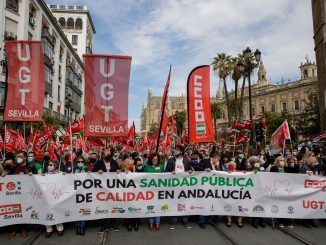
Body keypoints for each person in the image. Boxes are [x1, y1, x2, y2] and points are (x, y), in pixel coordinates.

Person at [165, 145, 192, 230]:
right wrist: (170, 173)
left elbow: (190, 170)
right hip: (174, 186)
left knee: (185, 203)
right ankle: (173, 221)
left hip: (184, 186)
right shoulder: (171, 160)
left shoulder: (186, 160)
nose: (175, 151)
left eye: (177, 149)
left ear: (181, 151)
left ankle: (185, 220)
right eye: (175, 150)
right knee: (174, 203)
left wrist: (190, 171)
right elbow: (166, 172)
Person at [93, 149, 120, 232]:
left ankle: (113, 224)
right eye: (106, 154)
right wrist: (97, 172)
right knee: (103, 207)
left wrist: (118, 171)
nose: (108, 155)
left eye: (109, 154)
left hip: (113, 189)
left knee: (113, 206)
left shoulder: (114, 162)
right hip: (102, 189)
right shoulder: (98, 163)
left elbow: (118, 170)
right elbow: (93, 173)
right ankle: (104, 225)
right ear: (103, 155)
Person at [1, 157, 29, 239]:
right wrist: (2, 176)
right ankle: (14, 230)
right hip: (9, 196)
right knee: (12, 212)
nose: (8, 165)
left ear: (13, 164)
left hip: (20, 195)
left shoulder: (17, 170)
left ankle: (24, 229)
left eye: (10, 164)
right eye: (6, 164)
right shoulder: (4, 172)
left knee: (21, 211)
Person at [197, 153, 220, 229]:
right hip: (205, 187)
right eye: (217, 159)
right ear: (214, 158)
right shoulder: (205, 160)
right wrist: (204, 170)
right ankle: (201, 221)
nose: (218, 161)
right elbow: (196, 168)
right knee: (205, 203)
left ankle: (209, 220)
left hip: (214, 187)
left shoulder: (216, 165)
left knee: (212, 204)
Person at [43, 160, 64, 238]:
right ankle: (49, 229)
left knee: (57, 210)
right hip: (47, 196)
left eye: (51, 164)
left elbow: (67, 179)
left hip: (56, 195)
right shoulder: (45, 174)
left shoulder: (60, 173)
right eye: (48, 165)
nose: (49, 166)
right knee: (47, 212)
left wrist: (65, 174)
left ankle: (60, 228)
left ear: (55, 166)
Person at [144, 153, 164, 231]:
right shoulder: (147, 166)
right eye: (154, 159)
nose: (155, 160)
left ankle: (157, 222)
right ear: (151, 159)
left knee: (158, 206)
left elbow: (165, 176)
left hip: (158, 190)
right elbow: (142, 177)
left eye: (156, 159)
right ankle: (151, 222)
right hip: (149, 190)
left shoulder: (161, 166)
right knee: (151, 206)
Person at [74, 156, 88, 235]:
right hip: (75, 193)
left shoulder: (86, 169)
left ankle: (82, 227)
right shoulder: (73, 169)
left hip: (84, 193)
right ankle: (77, 226)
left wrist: (90, 174)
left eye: (81, 161)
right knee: (76, 210)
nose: (80, 163)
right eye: (78, 162)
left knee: (83, 210)